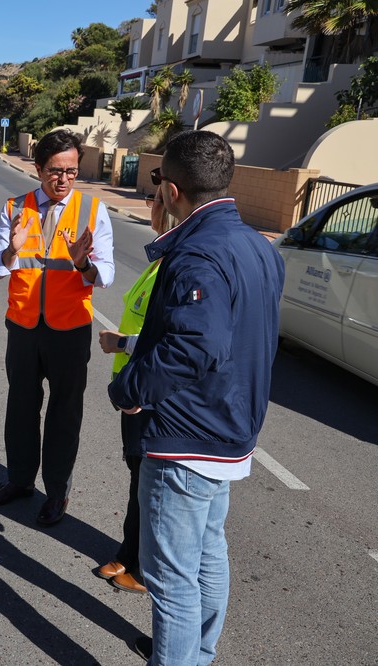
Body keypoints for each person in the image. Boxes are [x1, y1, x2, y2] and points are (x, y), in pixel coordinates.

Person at [108, 130, 284, 664]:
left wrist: (130, 389)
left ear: (173, 190)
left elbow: (197, 344)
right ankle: (193, 654)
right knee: (208, 556)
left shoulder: (197, 253)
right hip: (230, 429)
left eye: (158, 180)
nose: (156, 191)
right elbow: (230, 334)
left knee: (173, 580)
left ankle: (179, 656)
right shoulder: (257, 245)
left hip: (187, 436)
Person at [0, 129, 115, 526]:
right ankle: (20, 481)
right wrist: (11, 248)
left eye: (72, 172)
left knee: (64, 413)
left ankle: (57, 493)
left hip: (70, 330)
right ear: (38, 169)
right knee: (21, 408)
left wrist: (83, 264)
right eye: (55, 171)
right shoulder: (14, 207)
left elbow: (106, 275)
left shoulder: (93, 211)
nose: (63, 180)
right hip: (24, 326)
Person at [95, 190, 178, 596]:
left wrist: (121, 343)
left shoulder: (176, 264)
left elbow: (169, 338)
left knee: (149, 484)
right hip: (134, 392)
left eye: (157, 201)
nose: (151, 207)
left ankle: (145, 568)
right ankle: (129, 552)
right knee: (137, 479)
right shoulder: (159, 259)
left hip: (149, 394)